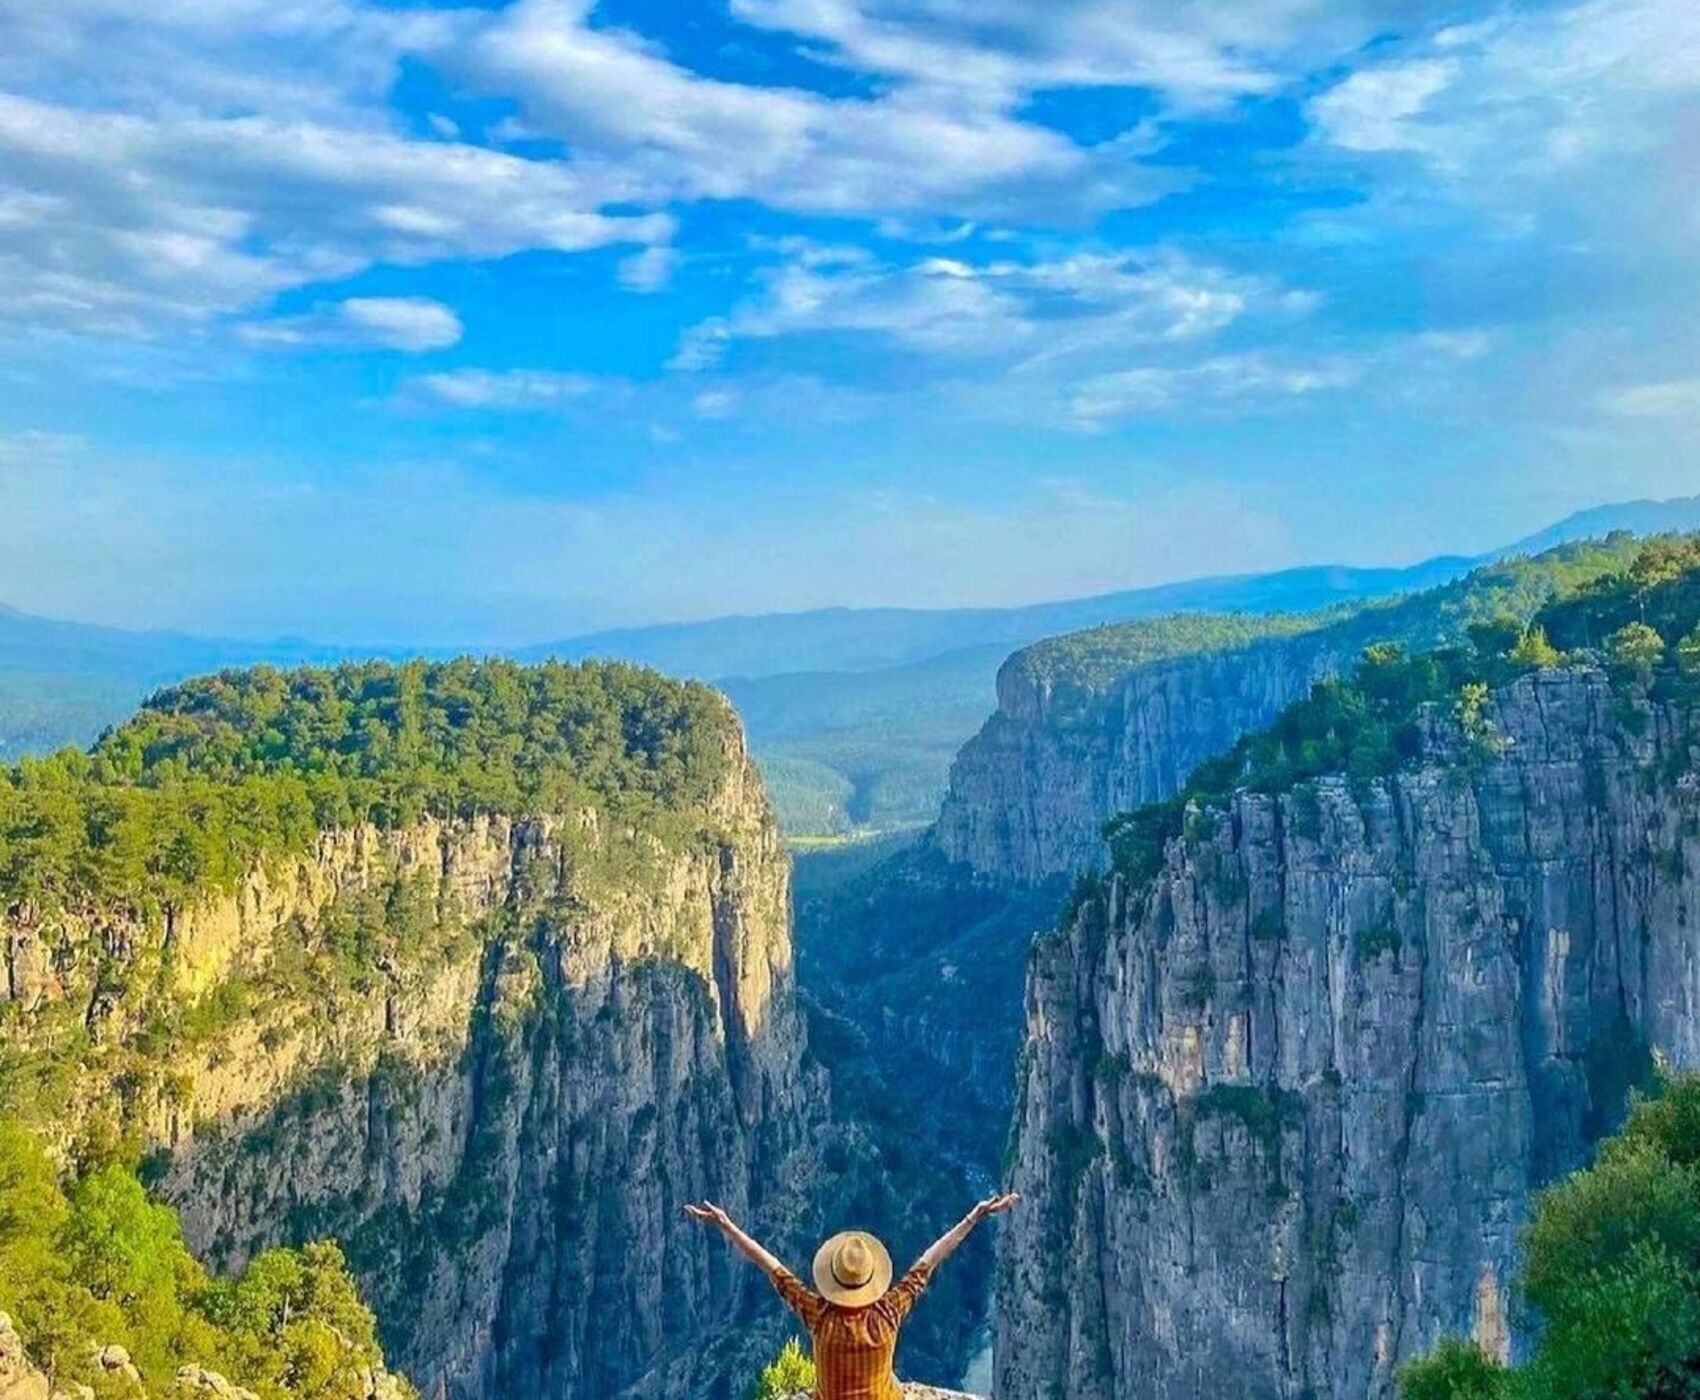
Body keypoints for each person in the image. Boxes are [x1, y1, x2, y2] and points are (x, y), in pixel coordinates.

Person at [684, 1193, 1020, 1400]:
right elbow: (928, 1263)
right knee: (890, 1381)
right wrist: (974, 1217)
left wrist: (726, 1225)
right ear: (871, 1280)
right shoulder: (889, 1313)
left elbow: (772, 1267)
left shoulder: (819, 1316)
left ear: (834, 1281)